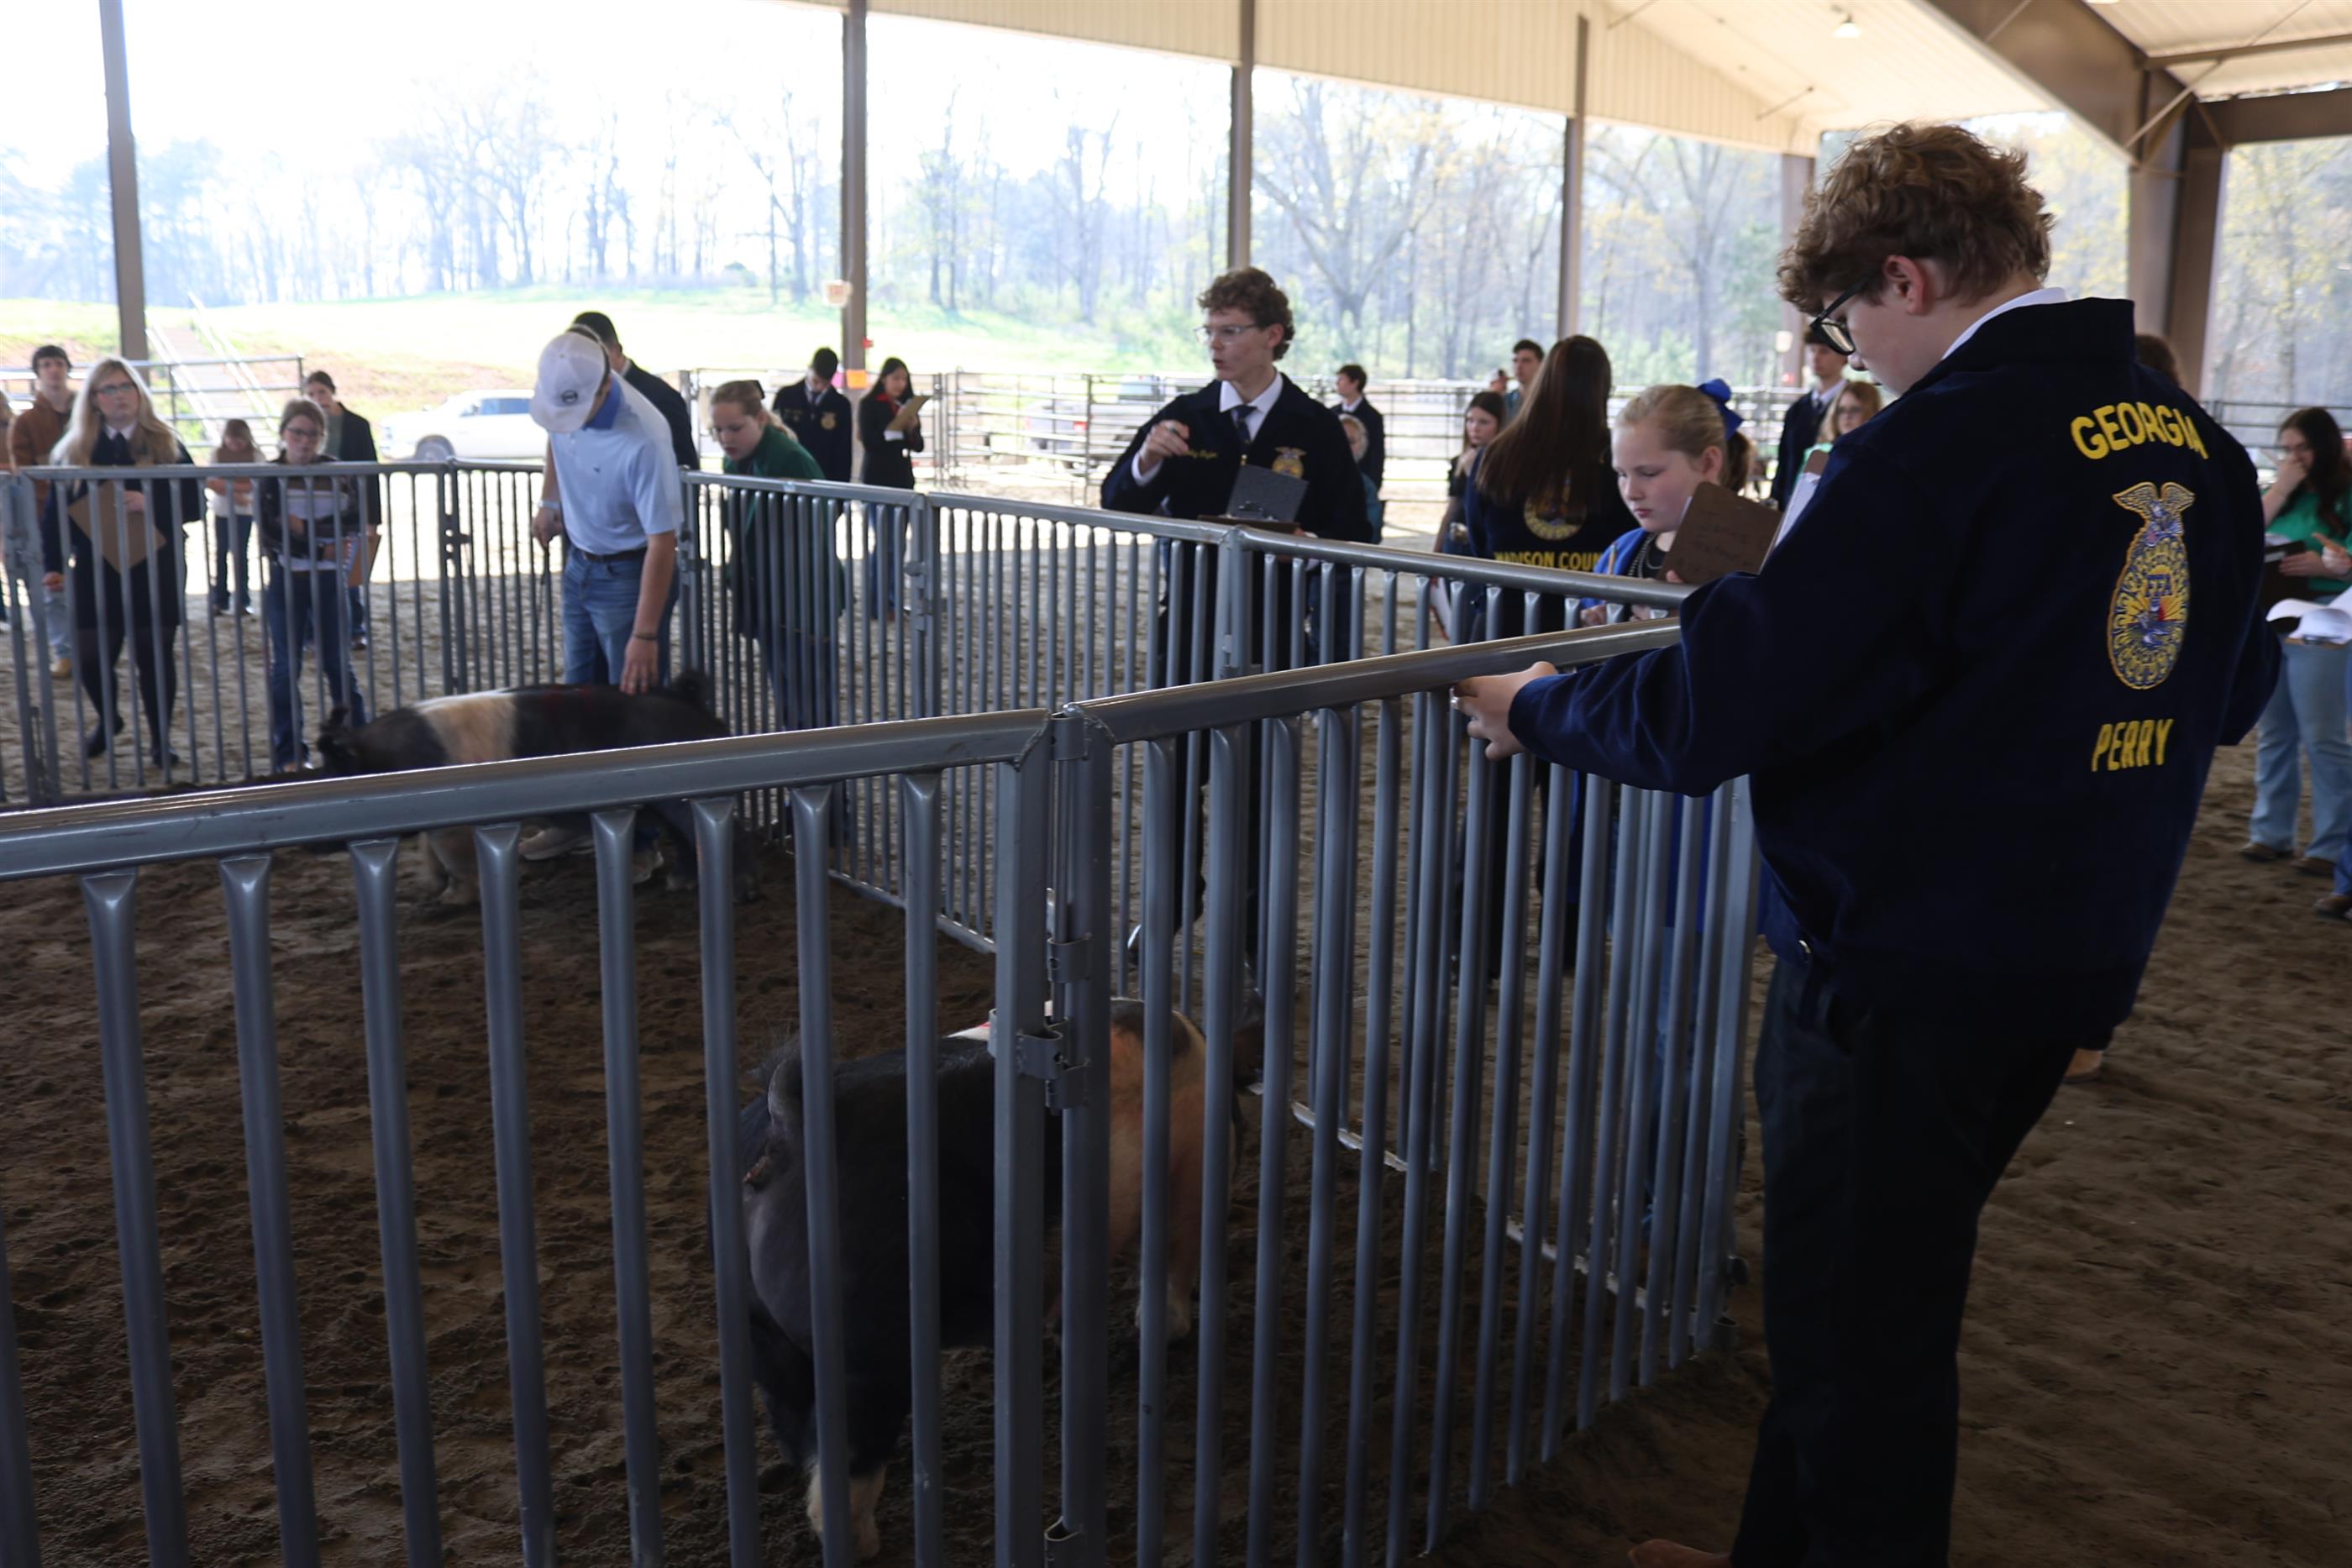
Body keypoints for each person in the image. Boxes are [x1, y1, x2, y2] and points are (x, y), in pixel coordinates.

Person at [1456, 122, 2276, 1568]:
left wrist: (1541, 704)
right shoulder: (2195, 443)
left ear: (1905, 277)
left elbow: (1737, 697)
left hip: (1901, 957)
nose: (1853, 354)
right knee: (1866, 1304)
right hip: (2071, 951)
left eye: (1847, 320)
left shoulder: (1936, 446)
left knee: (1858, 1347)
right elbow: (2232, 691)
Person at [523, 328, 683, 866]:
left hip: (631, 573)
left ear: (604, 386)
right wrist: (550, 501)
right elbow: (556, 434)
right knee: (577, 701)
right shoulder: (566, 401)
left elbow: (662, 542)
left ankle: (641, 844)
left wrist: (644, 633)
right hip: (581, 562)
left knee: (631, 711)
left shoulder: (645, 437)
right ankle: (575, 821)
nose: (567, 421)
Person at [37, 358, 204, 768]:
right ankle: (108, 719)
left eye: (126, 387)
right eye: (108, 389)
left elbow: (195, 503)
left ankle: (161, 740)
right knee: (90, 657)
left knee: (154, 655)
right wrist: (53, 564)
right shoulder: (75, 449)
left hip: (156, 565)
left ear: (139, 393)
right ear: (94, 399)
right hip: (95, 568)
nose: (118, 396)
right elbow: (55, 513)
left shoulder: (167, 443)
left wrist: (152, 502)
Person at [1461, 335, 1635, 638]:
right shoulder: (1618, 457)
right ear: (1603, 389)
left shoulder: (1495, 455)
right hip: (1587, 628)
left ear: (1542, 381)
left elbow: (1479, 538)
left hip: (1503, 623)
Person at [2243, 407, 2352, 879]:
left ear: (2324, 446)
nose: (2294, 457)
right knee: (2274, 731)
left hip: (2327, 616)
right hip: (2275, 617)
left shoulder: (2347, 494)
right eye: (2287, 449)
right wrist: (2282, 488)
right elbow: (2245, 533)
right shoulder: (2283, 494)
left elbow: (2344, 558)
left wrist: (2326, 565)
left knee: (2323, 735)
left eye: (2303, 447)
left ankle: (2330, 844)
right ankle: (2271, 832)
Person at [713, 378, 842, 737]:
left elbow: (815, 534)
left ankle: (820, 771)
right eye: (718, 430)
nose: (725, 438)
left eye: (735, 428)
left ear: (760, 419)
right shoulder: (738, 461)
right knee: (788, 693)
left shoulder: (789, 459)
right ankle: (800, 766)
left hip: (801, 600)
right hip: (769, 595)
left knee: (811, 700)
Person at [255, 398, 375, 772]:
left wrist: (304, 529)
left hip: (328, 578)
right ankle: (290, 753)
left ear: (322, 437)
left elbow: (352, 522)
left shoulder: (338, 472)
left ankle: (356, 744)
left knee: (338, 664)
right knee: (285, 667)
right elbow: (272, 534)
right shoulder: (269, 475)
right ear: (283, 434)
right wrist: (323, 544)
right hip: (287, 578)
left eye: (313, 434)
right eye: (297, 433)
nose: (305, 441)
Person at [1570, 381, 1732, 630]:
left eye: (1648, 473)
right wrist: (1591, 633)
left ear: (1708, 463)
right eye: (1621, 474)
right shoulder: (1619, 552)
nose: (1630, 492)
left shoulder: (1755, 563)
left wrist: (1682, 634)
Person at [12, 344, 80, 678]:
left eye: (58, 363)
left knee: (96, 578)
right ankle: (64, 651)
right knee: (52, 585)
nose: (54, 370)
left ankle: (91, 643)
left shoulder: (89, 414)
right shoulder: (26, 422)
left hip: (90, 511)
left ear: (67, 368)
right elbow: (22, 471)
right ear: (38, 372)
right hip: (44, 515)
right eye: (47, 364)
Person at [303, 370, 380, 651]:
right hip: (315, 509)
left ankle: (355, 629)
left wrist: (372, 518)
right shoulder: (304, 428)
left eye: (321, 392)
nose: (318, 398)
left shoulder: (357, 425)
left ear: (332, 391)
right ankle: (314, 633)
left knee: (350, 571)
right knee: (312, 569)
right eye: (311, 394)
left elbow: (371, 473)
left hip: (349, 508)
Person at [571, 311, 700, 470]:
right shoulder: (577, 397)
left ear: (616, 350)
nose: (584, 367)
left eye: (593, 357)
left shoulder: (661, 398)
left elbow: (685, 467)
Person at [856, 356, 924, 617]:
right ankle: (877, 602)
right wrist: (893, 432)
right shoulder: (869, 405)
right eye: (895, 378)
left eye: (904, 379)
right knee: (884, 544)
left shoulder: (906, 407)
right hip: (877, 481)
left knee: (898, 546)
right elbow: (869, 442)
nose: (900, 383)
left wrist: (912, 429)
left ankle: (892, 600)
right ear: (884, 378)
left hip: (902, 482)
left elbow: (919, 446)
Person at [1772, 328, 1851, 509]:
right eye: (1812, 350)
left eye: (1824, 351)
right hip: (1793, 503)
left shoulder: (1854, 406)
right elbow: (1784, 463)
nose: (1816, 357)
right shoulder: (1797, 410)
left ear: (1843, 357)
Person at [206, 417, 261, 616]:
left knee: (240, 555)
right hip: (224, 510)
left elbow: (258, 482)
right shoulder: (217, 454)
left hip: (244, 512)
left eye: (239, 441)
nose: (235, 445)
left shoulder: (256, 455)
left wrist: (228, 487)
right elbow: (211, 482)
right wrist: (237, 494)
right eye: (232, 440)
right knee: (221, 554)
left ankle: (243, 600)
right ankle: (220, 600)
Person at [773, 346, 854, 483]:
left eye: (825, 383)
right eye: (816, 380)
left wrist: (841, 487)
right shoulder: (786, 397)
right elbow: (775, 435)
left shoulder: (841, 405)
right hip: (790, 472)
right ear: (809, 369)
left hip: (824, 475)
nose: (819, 387)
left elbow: (844, 452)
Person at [1331, 362, 1384, 492]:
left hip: (1362, 481)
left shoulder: (1373, 417)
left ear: (1355, 382)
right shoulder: (1332, 414)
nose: (1337, 383)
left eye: (1341, 379)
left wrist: (1374, 484)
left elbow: (1377, 454)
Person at [1338, 413, 1383, 541]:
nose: (1345, 446)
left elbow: (1372, 534)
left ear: (1362, 445)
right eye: (1339, 439)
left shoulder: (1367, 487)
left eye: (1351, 441)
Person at [1504, 338, 1543, 420]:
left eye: (1526, 361)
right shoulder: (1505, 401)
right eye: (1515, 361)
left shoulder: (1551, 400)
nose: (1519, 366)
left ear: (1541, 365)